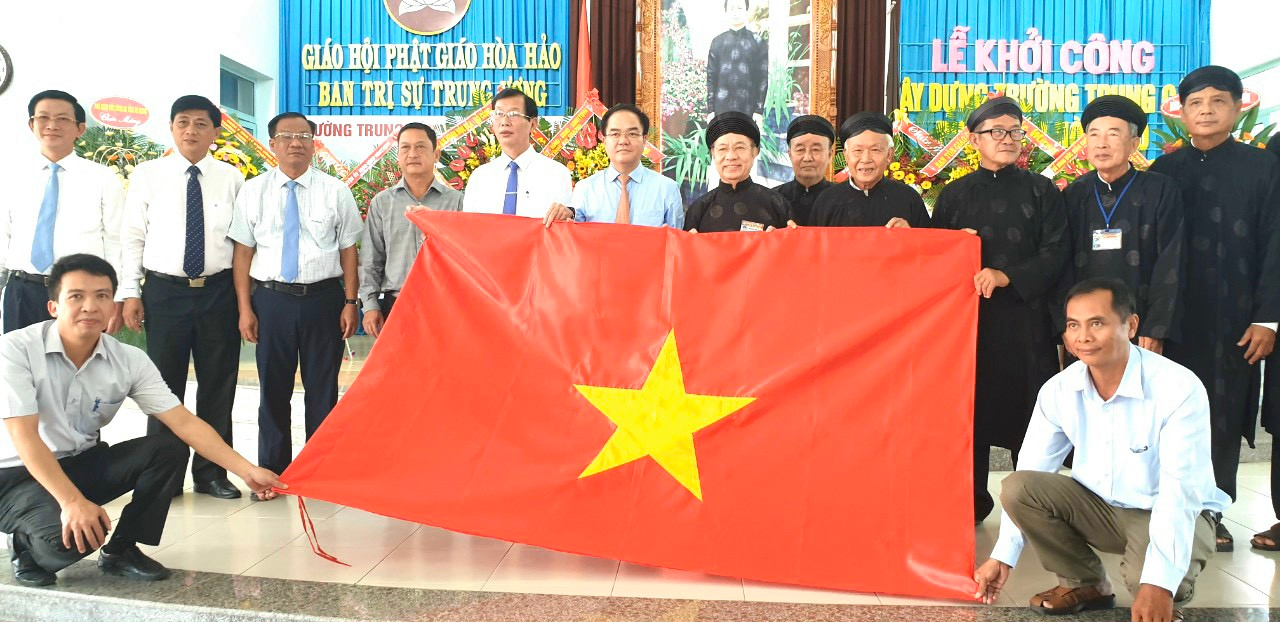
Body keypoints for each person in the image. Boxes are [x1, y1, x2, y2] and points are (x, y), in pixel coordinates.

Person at [0, 254, 283, 587]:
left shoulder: (129, 360)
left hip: (79, 464)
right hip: (15, 476)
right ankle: (24, 545)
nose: (90, 306)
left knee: (169, 447)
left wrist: (248, 472)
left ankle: (121, 550)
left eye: (102, 296)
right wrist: (72, 502)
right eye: (76, 296)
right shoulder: (15, 350)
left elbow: (184, 422)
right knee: (73, 542)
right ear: (54, 307)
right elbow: (24, 437)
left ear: (112, 307)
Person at [975, 278, 1226, 622]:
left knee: (1153, 582)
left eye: (1097, 323)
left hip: (1165, 508)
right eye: (1073, 325)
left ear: (1131, 325)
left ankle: (1164, 583)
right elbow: (1032, 469)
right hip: (1100, 508)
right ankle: (1087, 584)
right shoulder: (1059, 390)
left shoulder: (1177, 387)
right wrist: (1002, 556)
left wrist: (1159, 585)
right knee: (1018, 487)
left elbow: (1180, 492)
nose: (1083, 337)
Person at [1149, 66, 1280, 551]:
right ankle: (1162, 508)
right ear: (1181, 112)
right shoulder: (1164, 172)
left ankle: (1214, 512)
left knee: (1220, 412)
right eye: (1196, 102)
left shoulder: (1263, 167)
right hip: (1172, 318)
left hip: (1235, 318)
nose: (1206, 110)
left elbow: (1275, 244)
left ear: (1238, 107)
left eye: (1218, 101)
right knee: (1167, 414)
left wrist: (1268, 318)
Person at [928, 96, 1069, 523]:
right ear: (974, 139)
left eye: (1014, 131)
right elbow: (933, 259)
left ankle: (1030, 508)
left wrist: (1008, 276)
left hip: (1026, 324)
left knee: (1029, 417)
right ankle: (969, 503)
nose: (1007, 140)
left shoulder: (1042, 190)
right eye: (997, 132)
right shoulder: (953, 195)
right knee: (969, 416)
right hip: (969, 327)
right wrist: (951, 247)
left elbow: (1057, 251)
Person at [118, 95, 245, 499]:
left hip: (218, 292)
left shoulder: (232, 178)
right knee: (162, 386)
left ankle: (212, 473)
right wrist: (129, 292)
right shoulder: (148, 175)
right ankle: (164, 475)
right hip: (164, 293)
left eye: (201, 123)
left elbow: (243, 244)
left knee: (218, 385)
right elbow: (132, 237)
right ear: (171, 128)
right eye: (183, 122)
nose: (191, 130)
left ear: (215, 131)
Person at [228, 112, 363, 483]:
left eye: (304, 136)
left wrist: (350, 302)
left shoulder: (336, 191)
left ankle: (321, 471)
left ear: (314, 143)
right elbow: (243, 253)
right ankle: (272, 470)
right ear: (272, 144)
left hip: (324, 299)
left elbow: (349, 249)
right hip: (271, 300)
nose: (295, 143)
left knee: (323, 388)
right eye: (286, 137)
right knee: (273, 387)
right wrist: (245, 309)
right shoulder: (253, 191)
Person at [1062, 95, 1185, 355]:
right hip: (1086, 330)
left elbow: (1171, 261)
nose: (1102, 144)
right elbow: (1061, 263)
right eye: (1094, 135)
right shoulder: (1074, 194)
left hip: (1141, 325)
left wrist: (1156, 326)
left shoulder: (1160, 189)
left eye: (1113, 134)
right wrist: (1068, 327)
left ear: (1134, 143)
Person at [0, 90, 124, 333]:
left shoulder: (102, 178)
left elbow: (115, 240)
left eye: (62, 119)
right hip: (22, 289)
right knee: (22, 367)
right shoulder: (11, 175)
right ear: (31, 124)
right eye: (43, 118)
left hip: (81, 293)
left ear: (80, 128)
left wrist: (115, 297)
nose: (52, 125)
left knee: (80, 368)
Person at [359, 122, 462, 338]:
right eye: (405, 148)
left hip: (446, 306)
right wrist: (370, 305)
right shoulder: (382, 202)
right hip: (396, 305)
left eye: (421, 147)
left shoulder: (457, 202)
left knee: (443, 371)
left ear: (436, 154)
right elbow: (371, 259)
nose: (412, 154)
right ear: (398, 156)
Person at [542, 104, 682, 228]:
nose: (623, 141)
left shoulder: (667, 189)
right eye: (615, 134)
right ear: (603, 140)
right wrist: (563, 216)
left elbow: (676, 244)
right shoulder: (585, 189)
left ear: (644, 140)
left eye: (632, 134)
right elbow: (574, 235)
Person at [461, 88, 571, 218]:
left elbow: (561, 228)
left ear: (533, 124)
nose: (504, 122)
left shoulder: (556, 174)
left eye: (513, 114)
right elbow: (469, 229)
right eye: (499, 114)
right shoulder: (480, 177)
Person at [808, 112, 930, 228]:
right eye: (857, 151)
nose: (866, 159)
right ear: (846, 155)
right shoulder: (826, 200)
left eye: (875, 150)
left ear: (889, 154)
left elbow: (930, 246)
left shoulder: (908, 198)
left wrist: (911, 236)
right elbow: (812, 246)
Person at [684, 112, 795, 233]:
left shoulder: (777, 204)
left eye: (740, 148)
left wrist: (780, 241)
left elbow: (793, 249)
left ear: (754, 152)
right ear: (713, 154)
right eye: (722, 149)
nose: (731, 156)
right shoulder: (698, 209)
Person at [706, 0, 768, 123]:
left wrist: (758, 111)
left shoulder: (758, 42)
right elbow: (711, 77)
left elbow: (762, 78)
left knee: (746, 142)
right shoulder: (717, 42)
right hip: (721, 108)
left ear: (746, 10)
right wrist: (710, 110)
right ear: (726, 12)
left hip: (748, 108)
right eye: (732, 8)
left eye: (739, 8)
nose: (735, 12)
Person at [773, 115, 835, 226]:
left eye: (815, 150)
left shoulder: (844, 200)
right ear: (790, 154)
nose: (807, 158)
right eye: (800, 150)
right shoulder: (773, 199)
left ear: (830, 155)